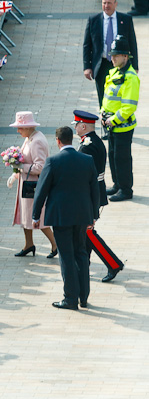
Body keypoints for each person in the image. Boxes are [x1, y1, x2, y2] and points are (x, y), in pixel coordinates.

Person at [32, 126, 100, 310]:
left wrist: (35, 215)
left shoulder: (53, 161)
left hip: (61, 216)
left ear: (58, 141)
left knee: (66, 256)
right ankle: (83, 297)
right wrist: (94, 215)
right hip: (82, 215)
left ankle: (70, 298)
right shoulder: (87, 160)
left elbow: (42, 190)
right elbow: (95, 189)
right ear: (71, 139)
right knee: (81, 253)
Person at [72, 110, 124, 282]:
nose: (76, 128)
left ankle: (113, 264)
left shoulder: (87, 145)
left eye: (77, 124)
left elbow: (84, 175)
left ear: (84, 125)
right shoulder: (94, 141)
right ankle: (83, 263)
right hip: (94, 193)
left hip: (89, 195)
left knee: (88, 232)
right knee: (85, 232)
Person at [8, 111, 57, 258]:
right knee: (25, 216)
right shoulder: (30, 137)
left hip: (35, 186)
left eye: (20, 128)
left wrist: (20, 168)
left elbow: (40, 167)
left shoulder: (36, 141)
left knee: (38, 217)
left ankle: (56, 245)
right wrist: (16, 173)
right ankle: (28, 244)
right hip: (27, 184)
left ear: (28, 127)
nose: (18, 131)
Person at [101, 34, 140, 202]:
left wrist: (113, 119)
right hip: (111, 124)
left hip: (121, 126)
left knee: (122, 158)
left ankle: (126, 189)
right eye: (112, 55)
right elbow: (108, 98)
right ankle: (117, 184)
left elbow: (129, 106)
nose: (113, 58)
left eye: (116, 55)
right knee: (113, 156)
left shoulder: (130, 78)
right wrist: (103, 114)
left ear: (125, 56)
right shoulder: (115, 72)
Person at [83, 0, 138, 107]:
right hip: (101, 64)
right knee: (102, 96)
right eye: (104, 3)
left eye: (109, 3)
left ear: (115, 4)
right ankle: (104, 120)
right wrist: (87, 67)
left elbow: (132, 44)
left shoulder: (125, 19)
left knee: (120, 94)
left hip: (120, 64)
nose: (106, 6)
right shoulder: (94, 20)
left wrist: (135, 66)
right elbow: (87, 45)